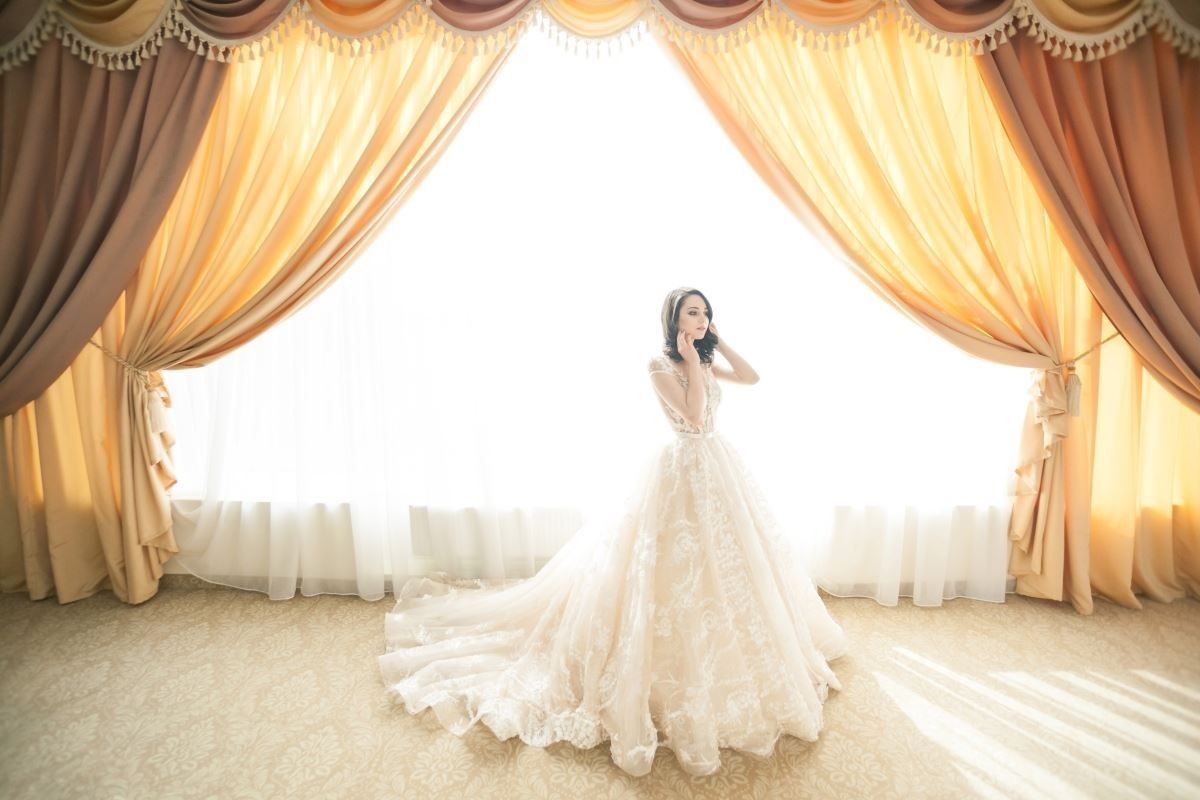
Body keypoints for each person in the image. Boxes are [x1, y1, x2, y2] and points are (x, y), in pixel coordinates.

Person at [378, 287, 847, 777]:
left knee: (730, 561)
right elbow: (690, 414)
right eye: (692, 311)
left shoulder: (704, 357)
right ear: (673, 319)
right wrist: (690, 361)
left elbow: (751, 376)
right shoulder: (660, 364)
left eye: (706, 312)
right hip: (681, 464)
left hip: (718, 464)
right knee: (669, 568)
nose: (701, 317)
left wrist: (717, 343)